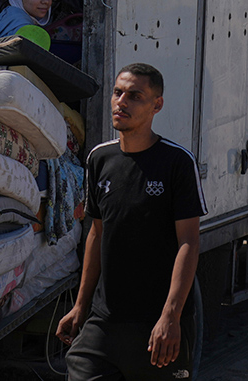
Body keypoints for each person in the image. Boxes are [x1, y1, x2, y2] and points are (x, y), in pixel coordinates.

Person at [57, 63, 207, 381]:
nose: (121, 102)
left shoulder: (177, 162)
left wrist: (171, 316)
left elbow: (189, 242)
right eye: (118, 93)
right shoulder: (99, 158)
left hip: (158, 325)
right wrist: (81, 305)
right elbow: (97, 233)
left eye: (135, 96)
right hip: (104, 322)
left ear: (157, 105)